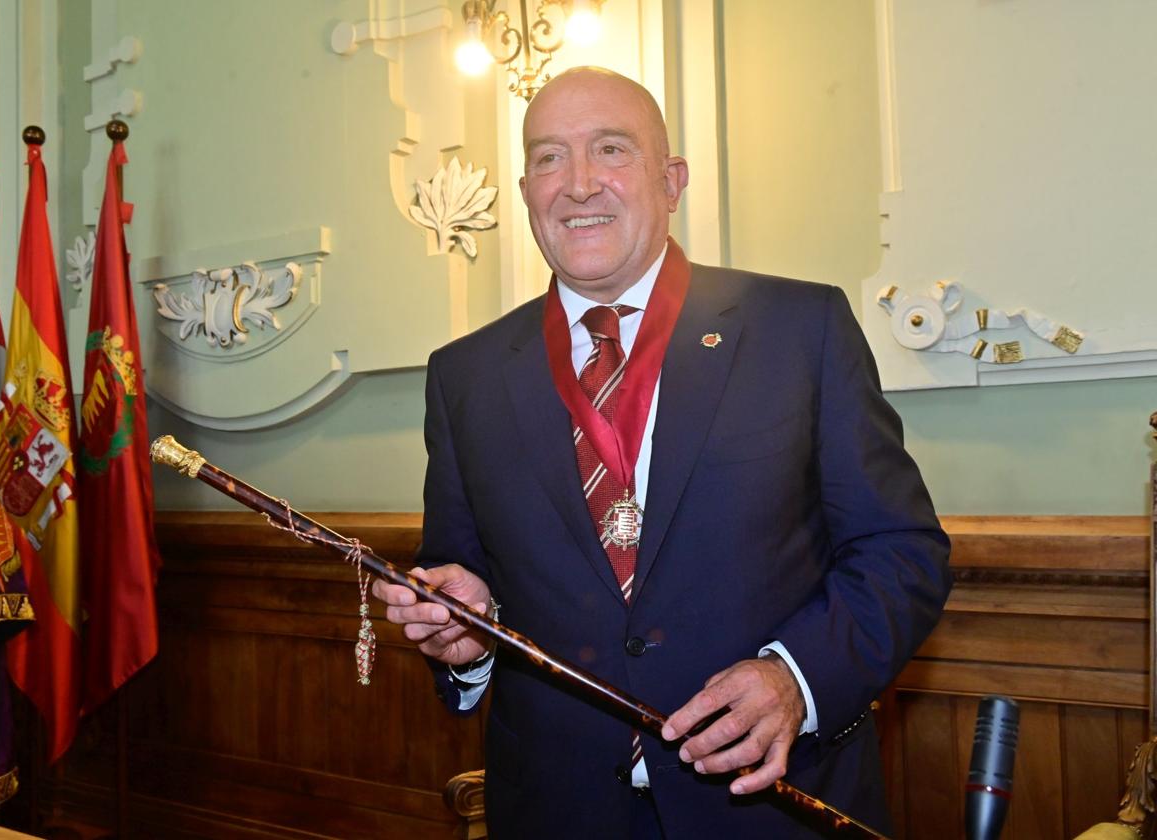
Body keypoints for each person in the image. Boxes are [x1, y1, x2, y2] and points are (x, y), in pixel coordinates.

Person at [373, 66, 950, 837]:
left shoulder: (798, 328)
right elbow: (464, 584)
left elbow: (900, 552)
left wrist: (795, 680)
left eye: (609, 149)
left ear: (671, 179)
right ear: (524, 193)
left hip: (769, 806)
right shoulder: (463, 376)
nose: (577, 184)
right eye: (548, 158)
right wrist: (465, 638)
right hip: (556, 811)